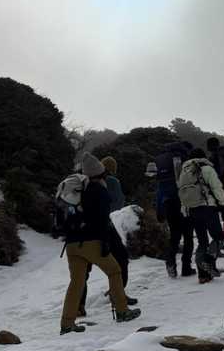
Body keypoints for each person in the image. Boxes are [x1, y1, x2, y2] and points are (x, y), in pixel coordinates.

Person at [59, 156, 141, 335]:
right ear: (101, 173)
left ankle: (67, 323)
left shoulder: (76, 190)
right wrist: (105, 242)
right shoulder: (99, 190)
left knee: (76, 282)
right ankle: (122, 311)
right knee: (115, 271)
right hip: (91, 241)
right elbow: (103, 220)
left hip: (71, 244)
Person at [77, 156, 135, 316]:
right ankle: (118, 296)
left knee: (83, 269)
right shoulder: (111, 182)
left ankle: (79, 306)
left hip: (80, 230)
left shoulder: (82, 182)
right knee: (121, 259)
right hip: (103, 226)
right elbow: (117, 203)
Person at [178, 146, 224, 282]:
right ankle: (208, 261)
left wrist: (185, 210)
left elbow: (182, 192)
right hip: (207, 207)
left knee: (202, 241)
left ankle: (203, 275)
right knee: (219, 237)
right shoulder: (206, 168)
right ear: (203, 157)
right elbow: (216, 187)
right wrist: (223, 203)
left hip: (192, 210)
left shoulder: (184, 171)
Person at [153, 140, 194, 278]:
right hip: (184, 201)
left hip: (168, 202)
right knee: (188, 235)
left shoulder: (163, 161)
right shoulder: (184, 158)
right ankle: (186, 267)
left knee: (175, 235)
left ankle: (170, 262)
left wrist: (159, 210)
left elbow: (160, 189)